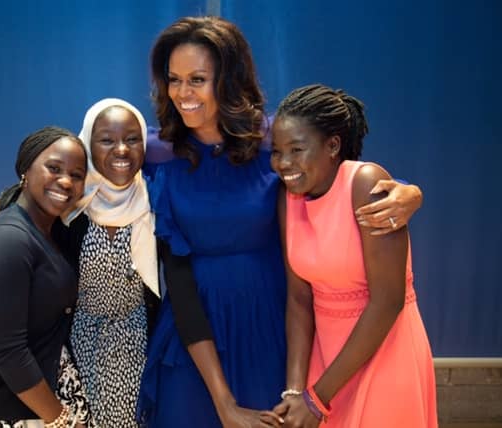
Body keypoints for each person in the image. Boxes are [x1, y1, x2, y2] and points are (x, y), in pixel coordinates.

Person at [136, 16, 424, 428]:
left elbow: (342, 170)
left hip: (272, 328)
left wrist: (411, 190)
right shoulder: (158, 149)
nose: (183, 93)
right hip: (193, 334)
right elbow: (88, 163)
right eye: (174, 79)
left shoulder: (272, 140)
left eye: (197, 79)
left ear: (228, 80)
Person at [270, 84, 437, 427]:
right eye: (277, 151)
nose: (284, 163)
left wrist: (317, 400)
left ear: (333, 145)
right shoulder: (288, 196)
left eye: (297, 149)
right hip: (327, 363)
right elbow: (299, 299)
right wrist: (295, 391)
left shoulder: (366, 183)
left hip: (384, 352)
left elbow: (387, 302)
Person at [0, 126, 92, 428]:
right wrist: (62, 420)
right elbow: (8, 352)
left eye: (77, 175)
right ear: (25, 169)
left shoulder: (50, 232)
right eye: (54, 168)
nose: (66, 181)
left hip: (36, 401)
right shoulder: (9, 239)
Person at [53, 98, 161, 427]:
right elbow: (25, 195)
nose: (121, 150)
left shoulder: (156, 198)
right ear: (87, 143)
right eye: (106, 140)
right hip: (77, 344)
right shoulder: (69, 205)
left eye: (132, 139)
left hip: (138, 341)